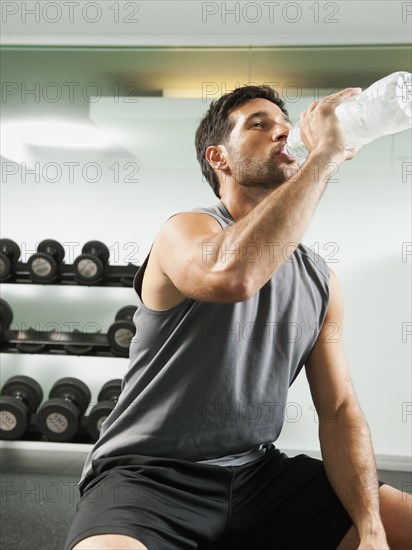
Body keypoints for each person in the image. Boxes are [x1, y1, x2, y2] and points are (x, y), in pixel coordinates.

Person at [64, 85, 411, 550]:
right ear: (219, 158)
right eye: (258, 124)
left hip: (258, 476)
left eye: (284, 125)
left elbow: (339, 409)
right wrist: (324, 156)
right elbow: (233, 276)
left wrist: (371, 530)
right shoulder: (186, 230)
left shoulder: (321, 280)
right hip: (149, 476)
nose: (282, 132)